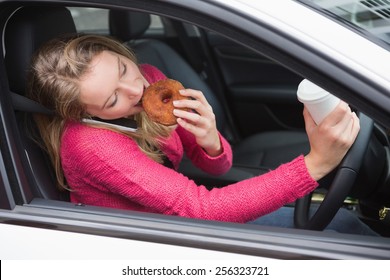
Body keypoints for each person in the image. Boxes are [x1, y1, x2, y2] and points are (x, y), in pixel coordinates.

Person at [27, 34, 375, 235]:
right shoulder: (91, 144)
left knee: (340, 222)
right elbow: (200, 208)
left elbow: (218, 168)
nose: (135, 89)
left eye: (122, 69)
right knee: (340, 227)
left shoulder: (150, 75)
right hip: (146, 239)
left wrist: (210, 139)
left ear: (121, 52)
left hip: (178, 213)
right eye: (112, 98)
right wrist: (314, 165)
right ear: (88, 113)